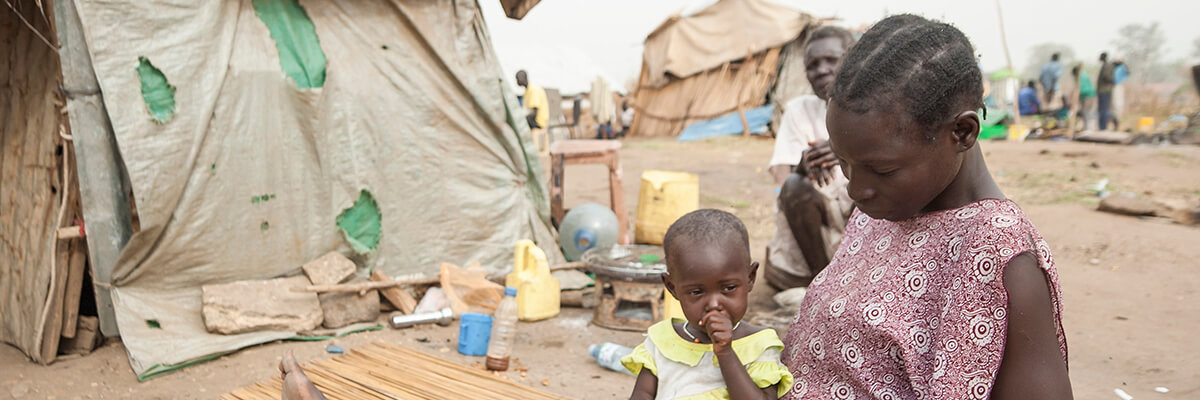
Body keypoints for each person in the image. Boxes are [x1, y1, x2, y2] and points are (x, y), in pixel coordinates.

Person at [782, 14, 1071, 399]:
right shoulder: (885, 212)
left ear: (962, 132)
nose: (856, 188)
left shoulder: (998, 254)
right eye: (845, 163)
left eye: (881, 169)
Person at [624, 209, 793, 400]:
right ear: (672, 288)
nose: (713, 304)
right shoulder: (662, 341)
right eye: (696, 292)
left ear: (750, 278)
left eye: (728, 288)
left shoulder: (759, 345)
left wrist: (726, 353)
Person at [764, 26, 857, 291]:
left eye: (831, 60)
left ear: (851, 60)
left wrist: (845, 153)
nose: (822, 70)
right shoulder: (799, 110)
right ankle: (822, 280)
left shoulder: (873, 107)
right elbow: (784, 180)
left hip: (860, 213)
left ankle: (857, 273)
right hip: (821, 219)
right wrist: (802, 167)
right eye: (812, 65)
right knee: (794, 185)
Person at [1097, 52, 1116, 130]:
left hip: (1104, 91)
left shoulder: (1107, 66)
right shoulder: (1106, 65)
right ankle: (1102, 127)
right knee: (1103, 110)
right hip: (1104, 91)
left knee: (1103, 110)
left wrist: (1112, 81)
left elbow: (1107, 77)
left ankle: (1103, 127)